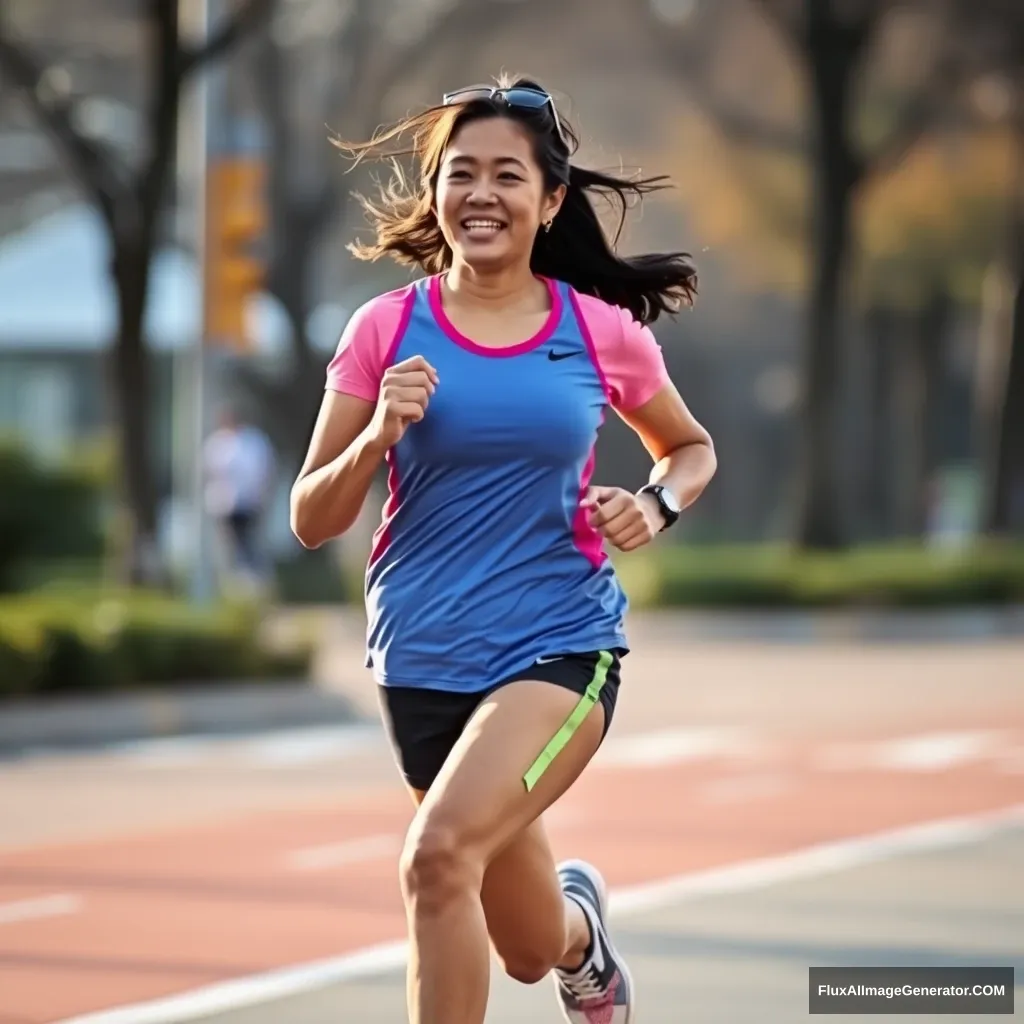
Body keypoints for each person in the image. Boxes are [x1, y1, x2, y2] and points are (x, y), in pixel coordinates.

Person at [290, 75, 716, 1024]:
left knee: (435, 857)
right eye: (460, 173)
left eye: (507, 176)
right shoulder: (383, 330)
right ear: (436, 191)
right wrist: (374, 440)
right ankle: (584, 946)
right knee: (527, 948)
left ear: (550, 200)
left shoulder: (597, 331)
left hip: (559, 647)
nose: (481, 194)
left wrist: (657, 503)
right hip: (421, 658)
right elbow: (311, 518)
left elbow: (689, 449)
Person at [203, 404, 276, 595]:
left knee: (248, 544)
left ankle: (253, 584)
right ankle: (233, 585)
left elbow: (263, 472)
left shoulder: (253, 441)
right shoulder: (217, 443)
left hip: (248, 503)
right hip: (224, 505)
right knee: (231, 547)